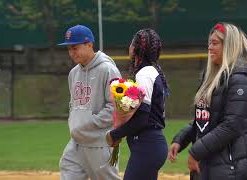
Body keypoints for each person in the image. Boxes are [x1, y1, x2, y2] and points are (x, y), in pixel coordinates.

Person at [168, 22, 247, 180]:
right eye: (209, 43)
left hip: (232, 168)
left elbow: (232, 125)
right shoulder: (211, 78)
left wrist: (195, 151)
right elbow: (205, 118)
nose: (210, 47)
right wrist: (181, 139)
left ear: (229, 46)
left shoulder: (240, 80)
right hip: (210, 164)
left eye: (215, 43)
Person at [57, 25, 121, 180]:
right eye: (69, 49)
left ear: (89, 44)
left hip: (99, 141)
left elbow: (115, 107)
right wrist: (76, 124)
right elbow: (74, 105)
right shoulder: (74, 73)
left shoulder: (108, 70)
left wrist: (89, 122)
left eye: (75, 47)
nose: (72, 52)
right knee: (68, 169)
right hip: (77, 140)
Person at [106, 29, 169, 180]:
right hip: (149, 145)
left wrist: (115, 134)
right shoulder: (151, 71)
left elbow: (142, 118)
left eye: (131, 43)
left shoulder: (145, 74)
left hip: (148, 146)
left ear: (135, 48)